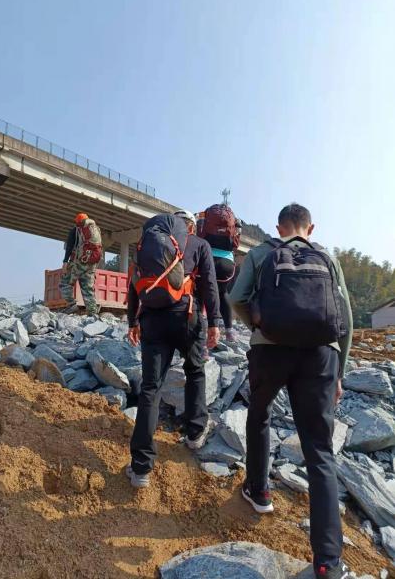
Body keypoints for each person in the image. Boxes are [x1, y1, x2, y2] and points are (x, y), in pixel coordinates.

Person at [229, 203, 353, 579]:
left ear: (279, 227)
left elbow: (236, 297)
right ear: (310, 228)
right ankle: (328, 562)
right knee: (320, 451)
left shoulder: (261, 254)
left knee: (259, 415)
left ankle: (259, 492)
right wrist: (339, 372)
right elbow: (345, 319)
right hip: (321, 356)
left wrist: (259, 324)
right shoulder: (327, 258)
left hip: (269, 350)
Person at [126, 210, 221, 488]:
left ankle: (141, 469)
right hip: (186, 316)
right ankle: (195, 434)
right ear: (189, 227)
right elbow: (210, 284)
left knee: (151, 388)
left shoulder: (147, 245)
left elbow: (134, 284)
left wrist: (132, 321)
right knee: (195, 371)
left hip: (152, 320)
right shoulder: (199, 244)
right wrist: (215, 322)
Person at [197, 205, 241, 341]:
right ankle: (229, 331)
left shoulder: (204, 217)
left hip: (206, 258)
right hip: (226, 263)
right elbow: (236, 243)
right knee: (222, 293)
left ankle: (199, 330)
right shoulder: (234, 221)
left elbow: (198, 235)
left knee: (200, 292)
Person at [60, 212, 102, 316]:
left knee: (65, 283)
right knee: (87, 288)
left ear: (78, 222)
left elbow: (69, 247)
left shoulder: (75, 230)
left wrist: (65, 262)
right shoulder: (96, 229)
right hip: (91, 264)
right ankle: (92, 313)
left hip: (78, 262)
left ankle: (71, 305)